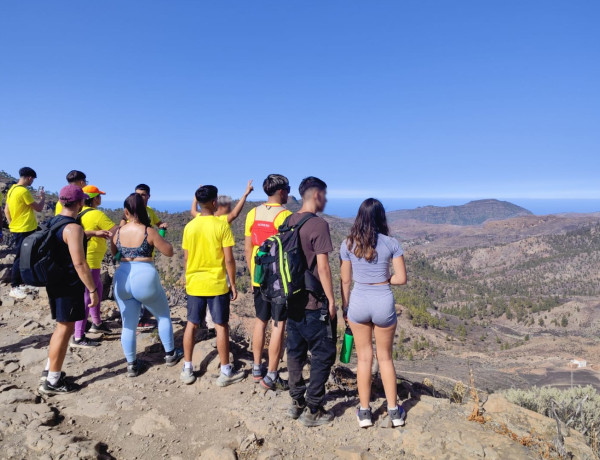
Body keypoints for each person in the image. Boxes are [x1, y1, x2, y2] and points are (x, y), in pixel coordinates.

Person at [340, 198, 408, 428]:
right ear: (381, 216)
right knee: (385, 358)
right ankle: (394, 412)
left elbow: (345, 279)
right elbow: (401, 278)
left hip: (358, 300)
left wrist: (345, 307)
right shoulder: (391, 243)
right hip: (382, 300)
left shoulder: (348, 243)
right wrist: (384, 279)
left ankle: (365, 411)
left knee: (364, 359)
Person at [111, 193, 183, 377]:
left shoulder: (116, 232)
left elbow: (114, 253)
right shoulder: (148, 231)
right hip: (145, 275)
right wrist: (161, 236)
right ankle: (170, 354)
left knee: (128, 324)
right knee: (163, 315)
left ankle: (132, 365)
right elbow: (168, 251)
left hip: (123, 276)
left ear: (126, 212)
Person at [285, 177, 337, 427]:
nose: (326, 199)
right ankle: (314, 408)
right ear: (316, 194)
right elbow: (324, 268)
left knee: (295, 352)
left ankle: (296, 402)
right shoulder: (318, 225)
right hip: (313, 302)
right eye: (324, 195)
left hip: (290, 300)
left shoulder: (287, 221)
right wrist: (331, 300)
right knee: (323, 353)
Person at [180, 185, 244, 387]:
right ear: (215, 202)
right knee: (220, 325)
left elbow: (186, 258)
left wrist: (188, 278)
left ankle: (187, 368)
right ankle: (225, 371)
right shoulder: (221, 226)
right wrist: (232, 283)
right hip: (216, 284)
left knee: (191, 324)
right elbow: (229, 260)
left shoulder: (190, 227)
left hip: (195, 283)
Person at [38, 185, 99, 394]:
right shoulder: (73, 228)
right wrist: (92, 289)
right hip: (68, 285)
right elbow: (80, 263)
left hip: (54, 282)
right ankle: (53, 381)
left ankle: (50, 370)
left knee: (61, 327)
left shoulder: (54, 221)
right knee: (65, 329)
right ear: (80, 202)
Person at [244, 174, 292, 390]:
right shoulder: (286, 216)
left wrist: (254, 273)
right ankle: (272, 374)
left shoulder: (252, 213)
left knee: (260, 320)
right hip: (278, 281)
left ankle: (256, 368)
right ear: (281, 191)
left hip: (258, 277)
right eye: (288, 189)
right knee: (278, 324)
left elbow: (247, 248)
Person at [191, 180, 254, 337]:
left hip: (198, 270)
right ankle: (214, 328)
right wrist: (245, 194)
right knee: (217, 302)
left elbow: (193, 210)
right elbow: (235, 214)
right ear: (216, 204)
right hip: (218, 269)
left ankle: (207, 326)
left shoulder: (200, 217)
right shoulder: (222, 222)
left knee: (203, 301)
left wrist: (197, 195)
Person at [70, 185, 119, 348]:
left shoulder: (79, 213)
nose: (101, 199)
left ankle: (96, 323)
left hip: (88, 259)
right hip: (90, 261)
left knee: (96, 290)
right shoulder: (97, 214)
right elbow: (116, 231)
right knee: (87, 297)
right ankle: (78, 336)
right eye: (99, 196)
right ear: (95, 199)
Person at [119, 184, 167, 331]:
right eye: (137, 194)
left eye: (143, 194)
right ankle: (138, 320)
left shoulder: (150, 211)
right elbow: (120, 230)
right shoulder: (128, 213)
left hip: (148, 258)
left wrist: (162, 226)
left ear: (149, 196)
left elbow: (158, 223)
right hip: (131, 260)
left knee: (145, 289)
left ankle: (142, 318)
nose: (140, 197)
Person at [4, 167, 46, 300]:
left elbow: (6, 210)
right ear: (29, 178)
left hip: (18, 227)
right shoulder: (23, 191)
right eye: (32, 179)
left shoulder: (12, 190)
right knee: (21, 257)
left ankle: (22, 283)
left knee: (24, 256)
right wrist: (43, 198)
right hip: (25, 228)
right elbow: (39, 208)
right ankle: (15, 286)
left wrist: (12, 224)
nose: (32, 181)